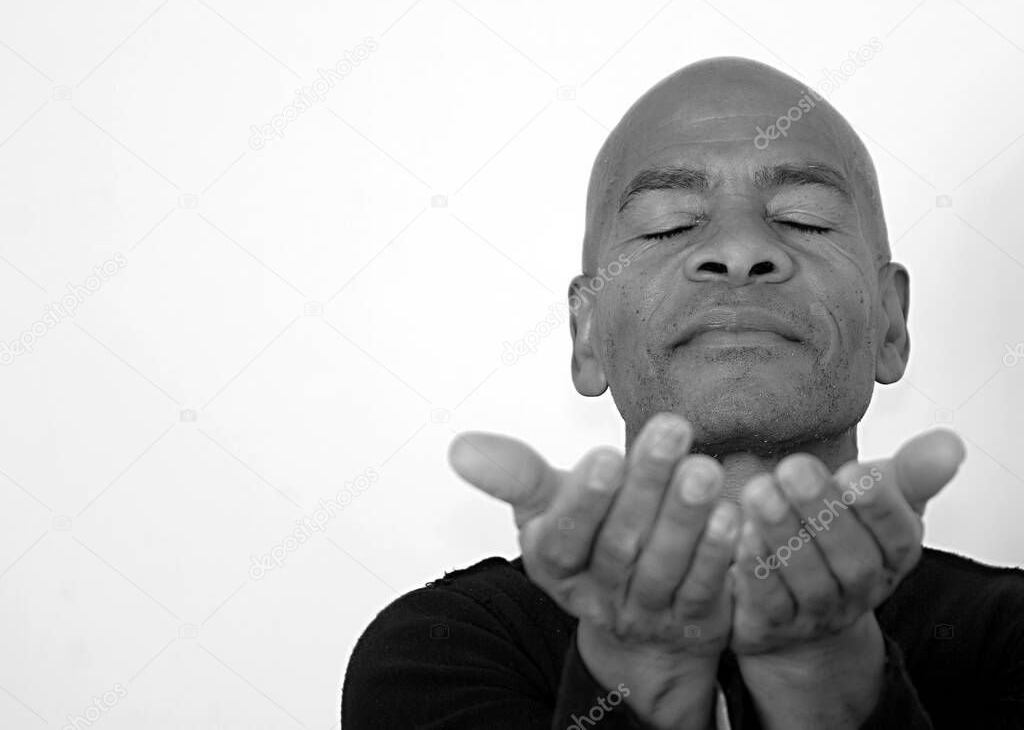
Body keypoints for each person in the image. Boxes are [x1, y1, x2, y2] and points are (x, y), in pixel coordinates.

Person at [341, 57, 1024, 729]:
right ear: (586, 335)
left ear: (891, 324)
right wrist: (645, 674)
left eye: (804, 217)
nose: (737, 249)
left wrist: (822, 676)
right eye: (669, 224)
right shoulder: (444, 650)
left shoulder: (1008, 638)